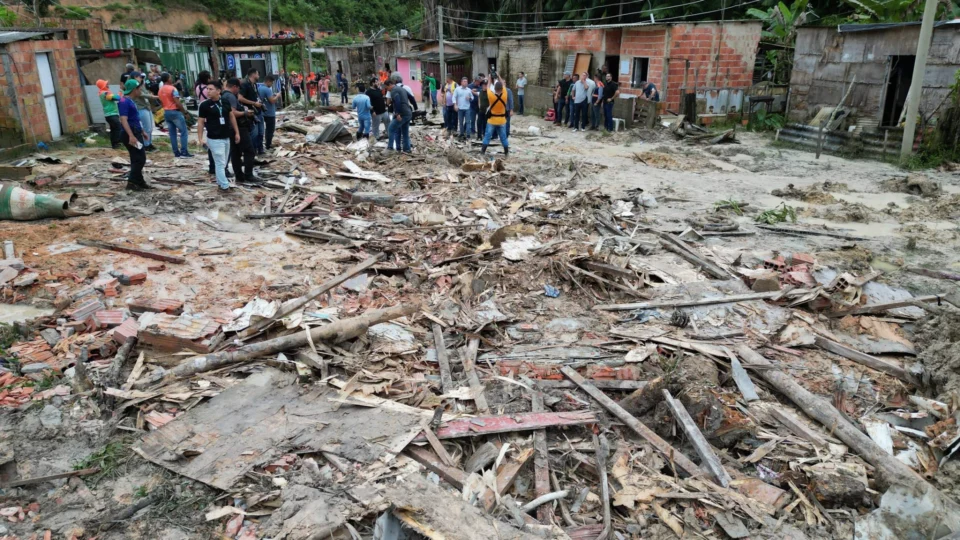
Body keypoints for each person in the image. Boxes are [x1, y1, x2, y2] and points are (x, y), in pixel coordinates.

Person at [197, 82, 240, 192]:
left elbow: (231, 117)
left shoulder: (225, 102)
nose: (208, 91)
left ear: (218, 91)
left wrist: (237, 132)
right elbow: (201, 122)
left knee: (224, 163)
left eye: (211, 89)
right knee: (220, 162)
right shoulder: (204, 105)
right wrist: (200, 138)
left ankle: (220, 182)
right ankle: (225, 186)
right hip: (214, 138)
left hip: (226, 136)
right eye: (207, 88)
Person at [117, 79, 150, 190]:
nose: (140, 90)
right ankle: (132, 182)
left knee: (137, 158)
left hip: (135, 131)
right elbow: (123, 119)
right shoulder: (124, 102)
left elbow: (134, 119)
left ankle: (139, 182)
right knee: (140, 159)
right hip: (130, 133)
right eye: (139, 89)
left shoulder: (130, 101)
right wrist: (131, 136)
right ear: (134, 90)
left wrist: (142, 131)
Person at [224, 77, 256, 182]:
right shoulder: (231, 97)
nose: (239, 90)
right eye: (238, 88)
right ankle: (248, 175)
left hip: (229, 128)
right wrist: (245, 113)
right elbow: (232, 113)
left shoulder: (223, 96)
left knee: (235, 153)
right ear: (234, 87)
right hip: (238, 127)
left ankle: (239, 175)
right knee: (249, 151)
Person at [158, 72, 192, 158]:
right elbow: (177, 102)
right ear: (168, 79)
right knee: (183, 131)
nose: (171, 78)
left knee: (172, 133)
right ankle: (184, 152)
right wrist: (185, 112)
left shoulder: (160, 89)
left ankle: (176, 152)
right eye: (170, 76)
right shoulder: (173, 89)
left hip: (166, 112)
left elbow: (161, 101)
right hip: (175, 112)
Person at [481, 80, 510, 159]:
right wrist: (498, 76)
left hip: (492, 120)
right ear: (501, 88)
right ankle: (506, 153)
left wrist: (490, 78)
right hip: (502, 120)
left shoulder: (491, 96)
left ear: (495, 88)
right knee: (503, 137)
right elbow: (503, 84)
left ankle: (483, 152)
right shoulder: (505, 95)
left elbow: (487, 87)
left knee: (487, 136)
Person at [130, 72, 159, 151]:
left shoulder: (141, 85)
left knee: (149, 128)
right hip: (141, 107)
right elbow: (141, 94)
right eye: (139, 77)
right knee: (146, 128)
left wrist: (152, 96)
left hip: (146, 107)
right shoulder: (134, 86)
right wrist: (154, 97)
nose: (141, 78)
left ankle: (149, 143)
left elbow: (145, 93)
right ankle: (146, 145)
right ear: (135, 77)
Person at [238, 68, 263, 155]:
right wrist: (254, 103)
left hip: (258, 111)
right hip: (250, 112)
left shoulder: (254, 85)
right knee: (254, 133)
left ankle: (259, 149)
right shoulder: (245, 84)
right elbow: (240, 98)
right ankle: (251, 152)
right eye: (257, 74)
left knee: (260, 132)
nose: (258, 76)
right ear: (253, 75)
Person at [96, 79, 123, 149]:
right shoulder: (105, 94)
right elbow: (117, 98)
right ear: (103, 86)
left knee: (113, 129)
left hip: (109, 115)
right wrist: (121, 91)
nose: (108, 85)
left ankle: (114, 144)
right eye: (106, 84)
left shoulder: (102, 93)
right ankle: (117, 143)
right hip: (112, 114)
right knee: (118, 128)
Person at [388, 77, 412, 153]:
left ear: (390, 84)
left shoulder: (393, 91)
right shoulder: (403, 89)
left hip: (402, 114)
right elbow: (411, 97)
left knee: (391, 128)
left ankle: (390, 148)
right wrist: (416, 107)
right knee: (405, 132)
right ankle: (407, 149)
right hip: (408, 113)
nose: (386, 89)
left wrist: (398, 114)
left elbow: (397, 101)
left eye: (386, 87)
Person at [259, 74, 279, 150]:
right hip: (269, 113)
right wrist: (277, 96)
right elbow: (272, 100)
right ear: (268, 81)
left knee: (263, 130)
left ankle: (262, 146)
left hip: (263, 112)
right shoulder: (267, 89)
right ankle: (268, 144)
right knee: (270, 129)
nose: (271, 85)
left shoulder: (260, 88)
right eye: (271, 83)